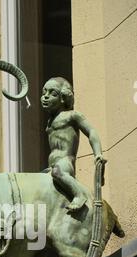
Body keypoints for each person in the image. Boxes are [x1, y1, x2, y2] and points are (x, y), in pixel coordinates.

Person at [41, 77, 106, 212]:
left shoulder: (72, 116)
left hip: (64, 163)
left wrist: (98, 153)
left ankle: (80, 195)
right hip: (51, 166)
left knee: (57, 173)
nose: (46, 97)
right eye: (44, 92)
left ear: (64, 98)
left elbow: (91, 131)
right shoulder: (49, 122)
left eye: (52, 94)